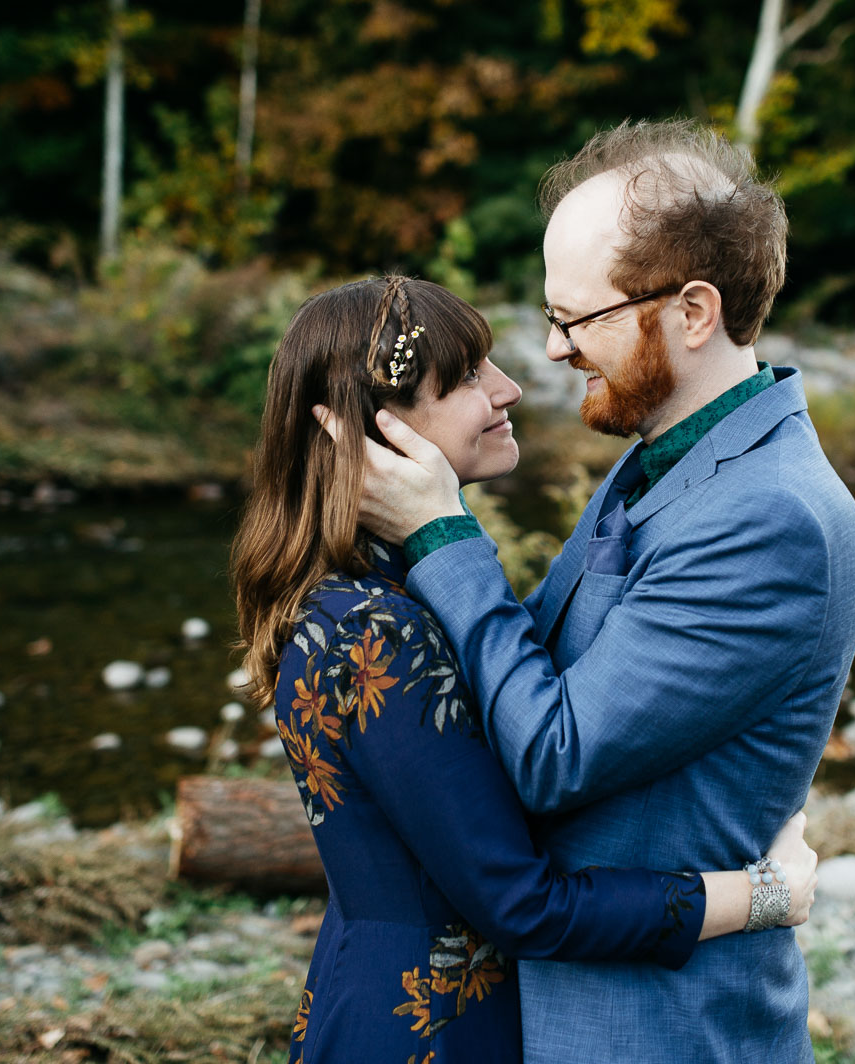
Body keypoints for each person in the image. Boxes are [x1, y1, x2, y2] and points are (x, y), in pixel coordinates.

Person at [331, 120, 855, 1063]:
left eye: (577, 321)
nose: (550, 350)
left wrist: (442, 532)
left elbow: (553, 750)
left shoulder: (771, 517)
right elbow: (533, 667)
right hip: (568, 996)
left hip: (658, 1028)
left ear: (693, 312)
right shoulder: (666, 458)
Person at [229, 275, 821, 1064]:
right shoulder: (374, 629)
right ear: (365, 433)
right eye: (468, 377)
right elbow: (523, 906)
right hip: (427, 1032)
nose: (509, 389)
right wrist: (763, 896)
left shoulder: (386, 593)